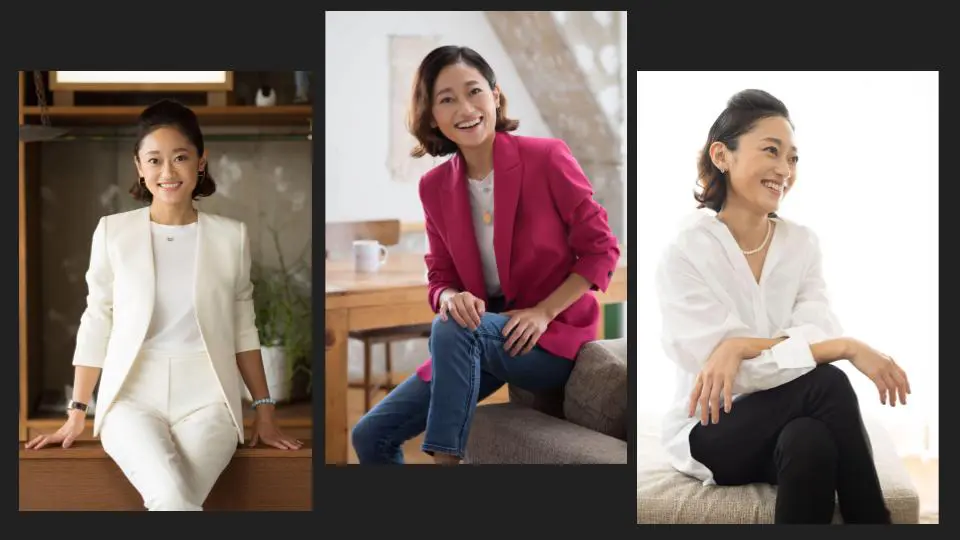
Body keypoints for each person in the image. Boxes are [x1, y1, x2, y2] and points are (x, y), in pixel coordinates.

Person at [24, 99, 303, 510]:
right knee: (173, 497)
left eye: (180, 158)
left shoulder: (231, 238)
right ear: (139, 166)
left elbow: (244, 327)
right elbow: (97, 319)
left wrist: (264, 410)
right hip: (131, 400)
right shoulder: (113, 233)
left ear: (201, 162)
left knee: (174, 499)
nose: (167, 172)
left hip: (211, 403)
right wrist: (77, 411)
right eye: (154, 160)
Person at [352, 45, 621, 464]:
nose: (465, 107)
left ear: (495, 95)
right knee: (371, 435)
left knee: (453, 329)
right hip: (480, 336)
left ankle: (446, 468)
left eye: (474, 91)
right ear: (432, 116)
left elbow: (602, 248)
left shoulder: (547, 157)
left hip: (550, 339)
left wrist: (543, 312)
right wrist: (447, 297)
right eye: (446, 99)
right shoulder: (435, 188)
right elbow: (440, 275)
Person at [655, 89, 911, 523]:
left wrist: (739, 346)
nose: (784, 170)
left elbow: (816, 331)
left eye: (793, 158)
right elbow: (759, 370)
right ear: (722, 155)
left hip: (791, 426)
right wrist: (843, 346)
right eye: (771, 151)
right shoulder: (686, 251)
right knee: (828, 382)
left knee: (810, 440)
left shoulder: (802, 244)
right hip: (713, 430)